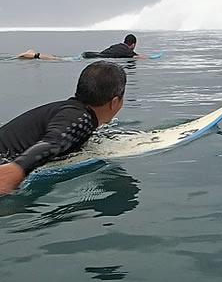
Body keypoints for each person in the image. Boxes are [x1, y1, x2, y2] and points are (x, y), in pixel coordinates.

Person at [0, 61, 127, 194]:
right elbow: (52, 143)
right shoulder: (81, 120)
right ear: (114, 102)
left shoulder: (71, 111)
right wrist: (17, 169)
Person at [15, 34, 147, 60]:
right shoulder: (126, 50)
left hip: (89, 54)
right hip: (90, 57)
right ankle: (33, 55)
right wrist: (152, 58)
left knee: (61, 58)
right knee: (59, 60)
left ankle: (35, 54)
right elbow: (138, 57)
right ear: (133, 44)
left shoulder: (118, 46)